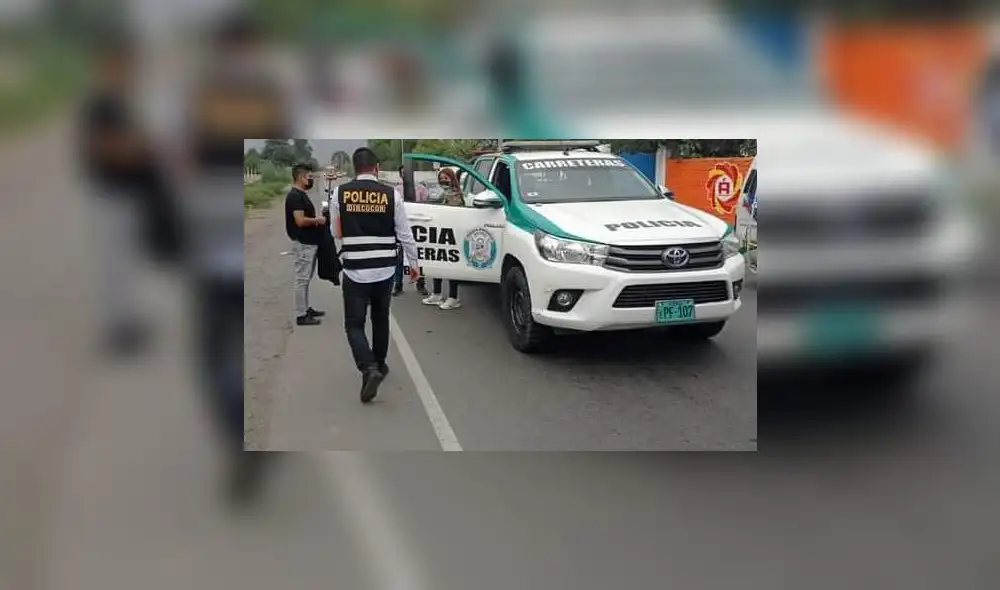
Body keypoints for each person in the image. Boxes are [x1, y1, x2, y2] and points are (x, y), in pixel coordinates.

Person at [81, 33, 161, 356]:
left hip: (128, 192)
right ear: (107, 66)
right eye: (120, 65)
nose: (125, 72)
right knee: (116, 264)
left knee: (127, 263)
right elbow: (106, 148)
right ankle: (118, 331)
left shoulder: (119, 101)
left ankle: (128, 321)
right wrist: (141, 149)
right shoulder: (101, 104)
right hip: (113, 192)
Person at [330, 148, 419, 403]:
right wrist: (414, 264)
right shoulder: (393, 195)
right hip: (384, 270)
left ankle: (368, 368)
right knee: (381, 319)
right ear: (376, 168)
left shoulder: (340, 193)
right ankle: (379, 364)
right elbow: (405, 234)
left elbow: (336, 232)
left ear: (354, 168)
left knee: (354, 324)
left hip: (355, 269)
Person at [285, 163, 327, 326]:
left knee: (306, 278)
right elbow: (300, 221)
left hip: (308, 242)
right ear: (301, 177)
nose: (311, 180)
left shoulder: (301, 194)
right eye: (309, 177)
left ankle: (305, 308)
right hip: (303, 243)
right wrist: (317, 220)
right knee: (302, 279)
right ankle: (301, 315)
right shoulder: (295, 196)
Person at [422, 167, 463, 310]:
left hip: (453, 235)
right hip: (439, 235)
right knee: (437, 264)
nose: (443, 180)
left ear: (452, 179)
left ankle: (453, 297)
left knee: (451, 267)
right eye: (441, 178)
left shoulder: (457, 195)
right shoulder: (439, 194)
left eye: (446, 178)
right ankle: (437, 294)